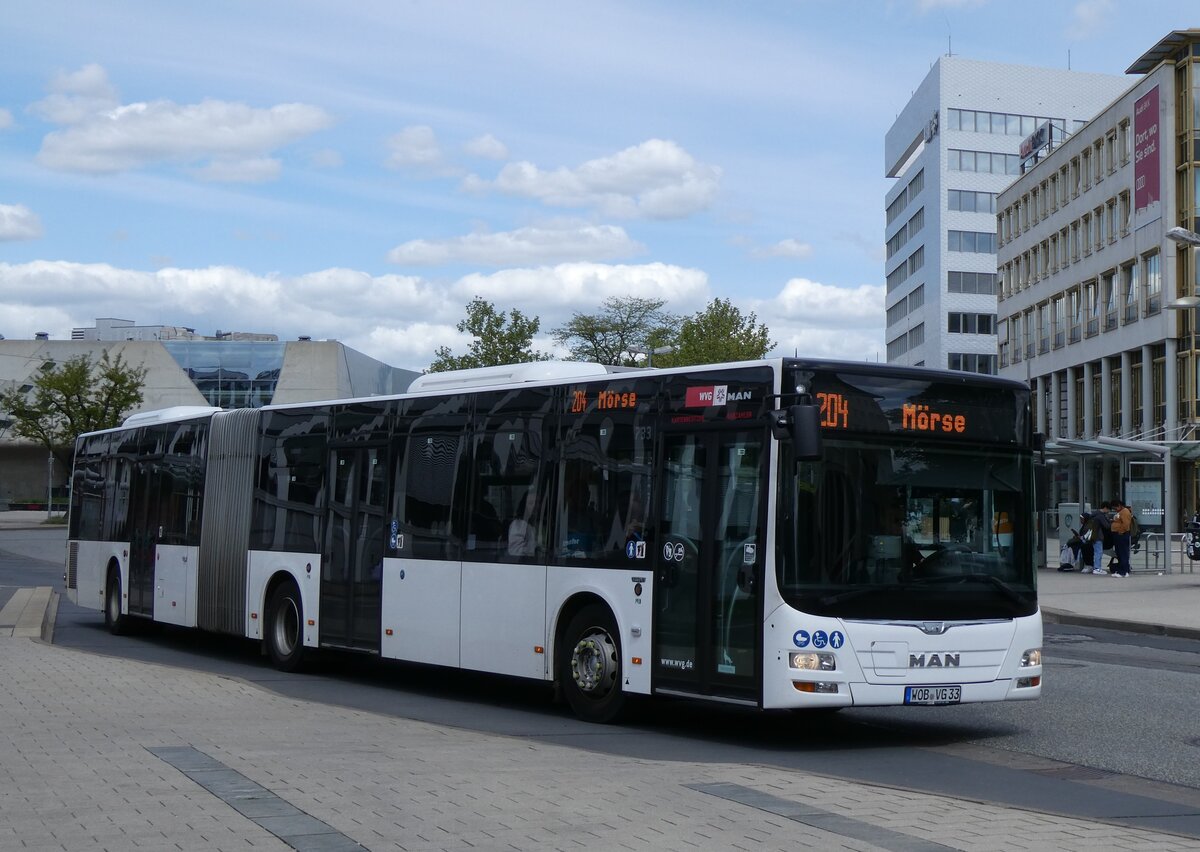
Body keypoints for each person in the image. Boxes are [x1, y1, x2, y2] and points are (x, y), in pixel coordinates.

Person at [507, 491, 537, 557]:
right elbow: (515, 551)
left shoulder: (535, 524)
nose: (534, 506)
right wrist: (536, 549)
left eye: (537, 503)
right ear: (524, 506)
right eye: (531, 503)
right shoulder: (518, 525)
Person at [1110, 497, 1133, 577]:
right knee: (1119, 553)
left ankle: (1124, 571)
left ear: (1119, 505)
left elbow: (1126, 525)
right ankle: (1121, 570)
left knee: (1123, 553)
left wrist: (1120, 531)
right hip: (1118, 535)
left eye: (1115, 508)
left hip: (1122, 535)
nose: (1115, 510)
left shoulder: (1125, 512)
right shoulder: (1120, 512)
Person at [1079, 510, 1106, 575]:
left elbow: (1088, 534)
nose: (1081, 520)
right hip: (1095, 539)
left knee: (1098, 553)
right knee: (1098, 553)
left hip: (1095, 539)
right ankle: (1096, 568)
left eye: (1082, 519)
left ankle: (1097, 568)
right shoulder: (1091, 522)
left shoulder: (1091, 523)